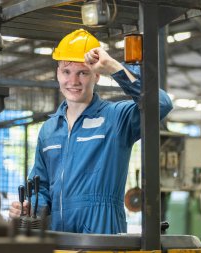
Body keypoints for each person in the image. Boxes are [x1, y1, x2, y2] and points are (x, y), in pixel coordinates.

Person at [9, 29, 173, 234]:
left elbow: (161, 103)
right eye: (66, 71)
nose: (73, 81)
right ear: (57, 74)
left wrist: (113, 66)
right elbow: (41, 187)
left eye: (83, 72)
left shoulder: (116, 118)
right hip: (58, 236)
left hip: (101, 231)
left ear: (96, 75)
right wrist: (29, 207)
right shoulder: (49, 129)